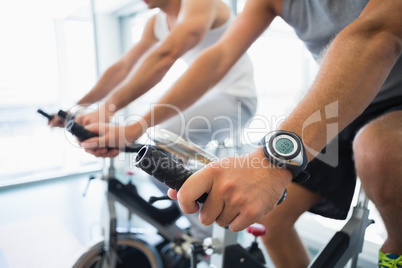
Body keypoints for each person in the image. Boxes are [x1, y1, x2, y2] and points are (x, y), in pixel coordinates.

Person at [80, 0, 402, 266]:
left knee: (377, 148)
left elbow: (376, 34)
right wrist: (135, 126)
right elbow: (218, 57)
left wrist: (271, 161)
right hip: (337, 107)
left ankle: (396, 249)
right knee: (270, 223)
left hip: (393, 100)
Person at [50, 0, 257, 149]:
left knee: (161, 140)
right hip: (199, 97)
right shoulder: (156, 24)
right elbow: (123, 67)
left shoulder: (199, 3)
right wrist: (79, 107)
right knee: (153, 143)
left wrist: (108, 109)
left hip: (236, 97)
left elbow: (166, 55)